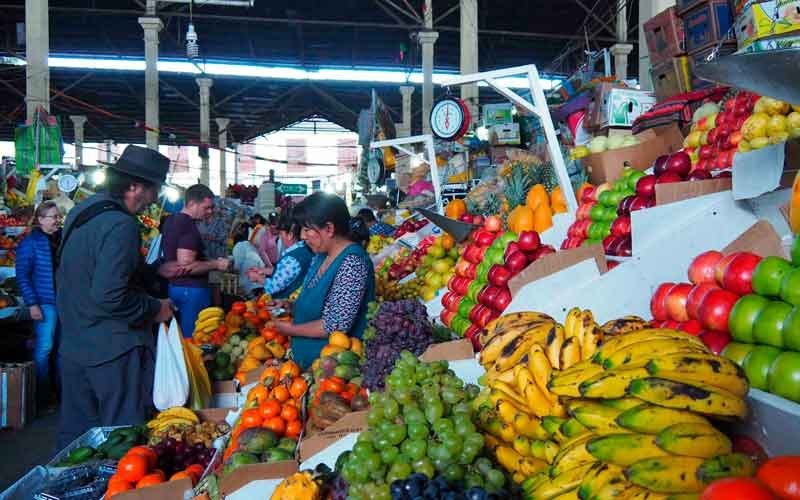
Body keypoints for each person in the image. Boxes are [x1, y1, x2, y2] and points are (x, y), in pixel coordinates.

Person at [56, 145, 175, 447]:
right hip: (112, 352)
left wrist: (150, 272)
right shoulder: (122, 225)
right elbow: (109, 296)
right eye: (154, 190)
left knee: (77, 442)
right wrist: (154, 308)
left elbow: (84, 270)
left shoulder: (83, 211)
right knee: (121, 438)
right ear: (135, 187)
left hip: (74, 344)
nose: (154, 199)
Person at [273, 193, 375, 369]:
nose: (302, 236)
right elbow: (323, 302)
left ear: (329, 229)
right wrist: (291, 306)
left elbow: (336, 325)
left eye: (307, 229)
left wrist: (290, 329)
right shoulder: (321, 255)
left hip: (332, 370)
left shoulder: (352, 263)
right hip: (306, 366)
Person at [161, 184, 230, 338]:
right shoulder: (187, 226)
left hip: (175, 287)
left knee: (179, 338)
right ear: (192, 203)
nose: (210, 212)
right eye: (207, 207)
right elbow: (186, 265)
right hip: (191, 291)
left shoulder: (171, 220)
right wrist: (216, 264)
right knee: (194, 340)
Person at [15, 201, 62, 410]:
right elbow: (22, 276)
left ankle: (59, 393)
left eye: (58, 216)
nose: (57, 220)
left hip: (62, 302)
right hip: (44, 303)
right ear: (41, 219)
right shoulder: (30, 243)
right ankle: (41, 397)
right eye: (53, 217)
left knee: (61, 349)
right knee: (44, 348)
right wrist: (32, 304)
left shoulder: (61, 240)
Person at [245, 211, 313, 299]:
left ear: (290, 235)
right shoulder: (304, 249)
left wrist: (257, 278)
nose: (280, 237)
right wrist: (263, 270)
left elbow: (273, 287)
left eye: (281, 233)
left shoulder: (291, 259)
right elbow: (286, 273)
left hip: (285, 302)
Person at [231, 222, 265, 297]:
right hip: (254, 287)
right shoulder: (243, 246)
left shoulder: (241, 246)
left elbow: (236, 267)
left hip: (253, 288)